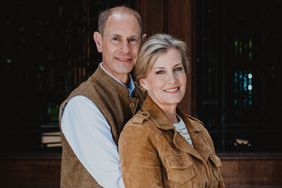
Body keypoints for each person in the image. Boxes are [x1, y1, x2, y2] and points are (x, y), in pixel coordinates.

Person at [119, 34, 225, 188]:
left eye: (178, 69)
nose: (173, 80)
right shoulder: (139, 133)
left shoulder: (199, 130)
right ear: (144, 83)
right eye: (160, 72)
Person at [59, 6, 145, 188]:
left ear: (142, 43)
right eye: (116, 39)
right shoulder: (82, 105)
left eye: (132, 40)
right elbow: (120, 183)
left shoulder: (147, 95)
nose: (125, 48)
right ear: (99, 42)